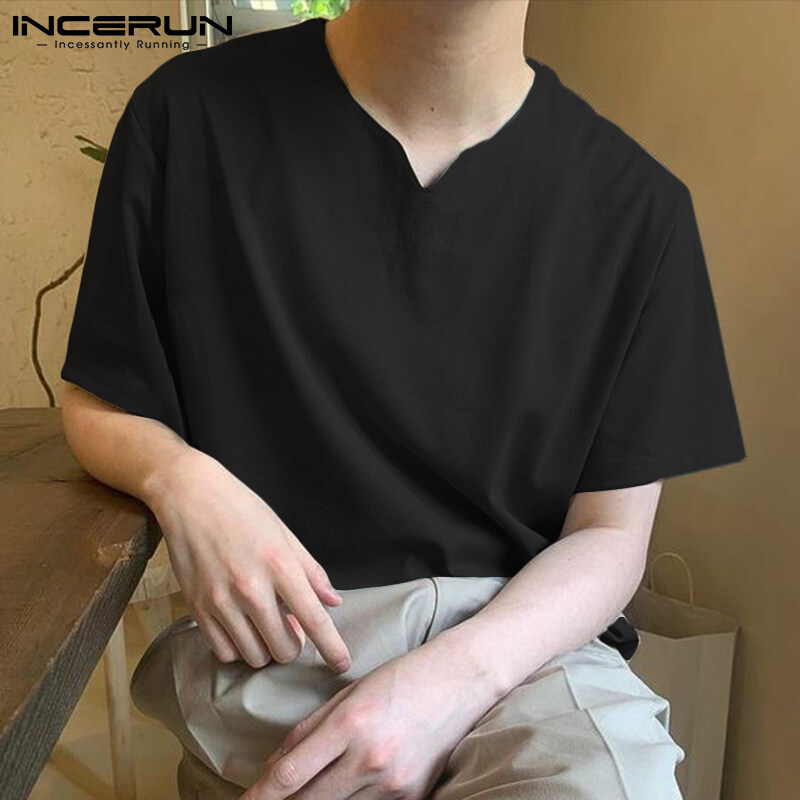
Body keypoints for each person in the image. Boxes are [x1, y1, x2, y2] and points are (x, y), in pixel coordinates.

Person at [60, 2, 746, 799]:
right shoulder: (189, 117)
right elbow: (100, 397)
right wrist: (183, 480)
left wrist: (451, 682)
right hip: (289, 643)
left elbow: (612, 535)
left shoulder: (639, 209)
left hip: (524, 648)